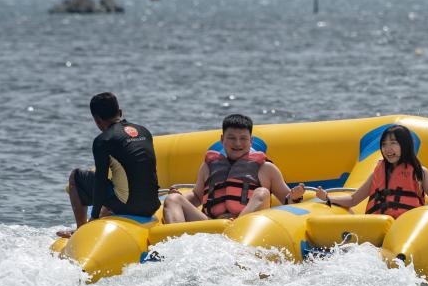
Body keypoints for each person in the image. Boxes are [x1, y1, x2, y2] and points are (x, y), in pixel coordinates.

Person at [162, 114, 304, 223]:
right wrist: (181, 197)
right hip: (211, 224)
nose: (237, 143)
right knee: (172, 199)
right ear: (222, 139)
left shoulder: (267, 168)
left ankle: (236, 229)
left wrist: (294, 196)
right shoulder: (208, 166)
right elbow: (198, 196)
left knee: (262, 192)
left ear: (251, 141)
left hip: (245, 226)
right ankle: (176, 241)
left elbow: (287, 202)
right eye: (231, 138)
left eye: (243, 138)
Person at [58, 92, 160, 238]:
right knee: (117, 185)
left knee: (76, 176)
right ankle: (104, 217)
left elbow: (100, 181)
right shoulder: (144, 131)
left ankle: (81, 232)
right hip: (152, 206)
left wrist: (93, 217)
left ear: (97, 120)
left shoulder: (103, 140)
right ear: (120, 112)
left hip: (129, 206)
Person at [313, 124, 428, 218]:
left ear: (405, 146)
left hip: (405, 225)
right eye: (384, 145)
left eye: (393, 143)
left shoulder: (420, 173)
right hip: (377, 225)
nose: (388, 149)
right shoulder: (378, 172)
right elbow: (353, 199)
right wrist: (327, 198)